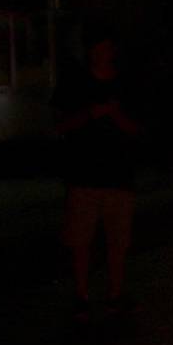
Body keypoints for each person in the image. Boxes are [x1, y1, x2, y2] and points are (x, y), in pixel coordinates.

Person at [53, 35, 142, 320]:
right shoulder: (75, 83)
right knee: (81, 240)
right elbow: (59, 125)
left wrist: (114, 115)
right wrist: (90, 114)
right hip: (83, 175)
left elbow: (137, 129)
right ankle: (82, 295)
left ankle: (115, 294)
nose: (101, 52)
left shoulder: (126, 84)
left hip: (119, 176)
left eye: (105, 46)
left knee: (118, 240)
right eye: (96, 47)